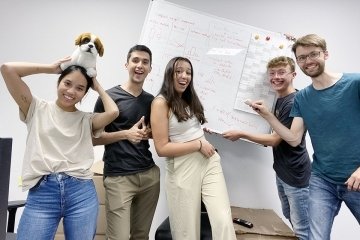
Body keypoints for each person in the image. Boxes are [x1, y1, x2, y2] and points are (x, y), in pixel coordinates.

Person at [250, 34, 360, 240]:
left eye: (313, 54)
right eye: (301, 57)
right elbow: (293, 138)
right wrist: (267, 115)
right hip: (322, 180)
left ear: (325, 54)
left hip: (356, 179)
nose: (308, 61)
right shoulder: (302, 97)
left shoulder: (355, 83)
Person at [0, 59, 119, 239]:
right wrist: (50, 68)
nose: (71, 91)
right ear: (59, 81)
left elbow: (113, 112)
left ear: (85, 93)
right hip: (42, 192)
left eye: (80, 88)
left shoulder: (86, 120)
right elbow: (7, 69)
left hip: (81, 192)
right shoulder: (35, 108)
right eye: (67, 83)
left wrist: (96, 84)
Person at [219, 56, 310, 240]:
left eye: (281, 72)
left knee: (303, 229)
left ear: (293, 75)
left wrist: (242, 134)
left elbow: (275, 140)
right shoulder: (281, 98)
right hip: (283, 171)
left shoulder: (293, 102)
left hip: (296, 176)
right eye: (272, 73)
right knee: (290, 217)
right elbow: (278, 130)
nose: (276, 77)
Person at [150, 56, 236, 240]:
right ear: (169, 75)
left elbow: (186, 129)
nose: (184, 76)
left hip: (209, 161)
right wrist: (197, 144)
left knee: (223, 220)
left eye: (188, 72)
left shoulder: (188, 98)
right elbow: (162, 148)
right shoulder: (160, 102)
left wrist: (199, 136)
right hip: (183, 168)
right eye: (179, 71)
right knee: (186, 231)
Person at [92, 45, 160, 240]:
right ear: (126, 64)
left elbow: (159, 135)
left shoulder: (152, 101)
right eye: (135, 60)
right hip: (119, 178)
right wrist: (126, 134)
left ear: (150, 68)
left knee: (141, 236)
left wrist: (149, 133)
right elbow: (93, 138)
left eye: (145, 62)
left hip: (149, 177)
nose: (140, 65)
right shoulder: (109, 97)